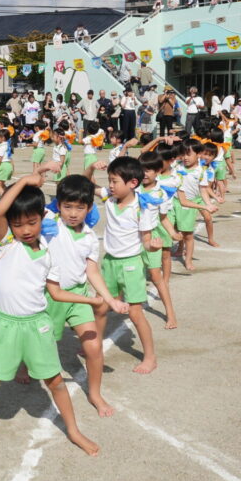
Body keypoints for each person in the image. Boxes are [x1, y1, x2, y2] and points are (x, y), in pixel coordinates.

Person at [0, 170, 101, 455]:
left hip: (37, 326)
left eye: (32, 222)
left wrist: (91, 300)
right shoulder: (6, 245)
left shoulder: (48, 253)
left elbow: (56, 292)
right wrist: (25, 181)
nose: (26, 229)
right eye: (18, 224)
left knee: (55, 382)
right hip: (6, 326)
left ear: (43, 217)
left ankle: (74, 431)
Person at [39, 174, 129, 414]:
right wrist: (40, 173)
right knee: (39, 343)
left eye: (80, 208)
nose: (73, 213)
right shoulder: (50, 223)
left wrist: (111, 300)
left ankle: (95, 394)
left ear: (89, 208)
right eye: (67, 206)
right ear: (58, 205)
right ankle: (24, 366)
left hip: (78, 297)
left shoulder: (90, 237)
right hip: (48, 296)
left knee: (93, 346)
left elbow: (92, 271)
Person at [86, 156, 162, 373]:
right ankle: (95, 346)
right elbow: (86, 185)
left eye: (115, 181)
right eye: (109, 180)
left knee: (135, 313)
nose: (110, 185)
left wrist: (152, 247)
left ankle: (150, 357)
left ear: (133, 183)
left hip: (131, 265)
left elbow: (146, 241)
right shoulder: (109, 198)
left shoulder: (141, 207)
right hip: (110, 262)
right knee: (101, 307)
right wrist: (91, 167)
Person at [137, 152, 180, 329]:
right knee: (130, 271)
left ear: (157, 172)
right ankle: (121, 299)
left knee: (156, 276)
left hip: (152, 236)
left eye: (148, 170)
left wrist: (173, 233)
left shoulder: (161, 192)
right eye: (141, 169)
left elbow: (163, 218)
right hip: (133, 236)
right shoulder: (133, 188)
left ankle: (170, 313)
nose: (144, 174)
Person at [170, 140, 218, 273]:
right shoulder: (177, 166)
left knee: (188, 234)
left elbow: (203, 190)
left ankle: (188, 260)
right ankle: (180, 248)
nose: (185, 157)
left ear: (198, 154)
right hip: (174, 202)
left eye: (188, 154)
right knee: (177, 229)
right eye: (183, 154)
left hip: (189, 204)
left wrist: (208, 204)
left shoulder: (201, 172)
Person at [0, 129, 14, 196]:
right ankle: (10, 196)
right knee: (2, 184)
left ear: (3, 138)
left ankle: (4, 199)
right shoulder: (7, 144)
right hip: (8, 166)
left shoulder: (2, 147)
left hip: (4, 166)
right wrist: (12, 168)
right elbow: (11, 159)